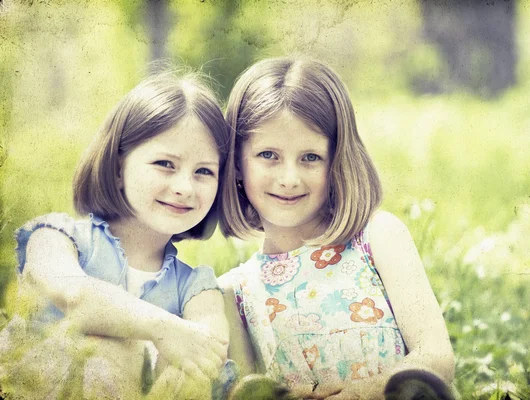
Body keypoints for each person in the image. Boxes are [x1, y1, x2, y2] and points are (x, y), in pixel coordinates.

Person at [218, 57, 455, 400]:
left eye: (310, 157)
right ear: (238, 163)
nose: (289, 178)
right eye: (268, 155)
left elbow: (436, 357)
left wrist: (359, 394)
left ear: (337, 161)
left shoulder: (378, 237)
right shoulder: (234, 292)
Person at [2, 69, 233, 399]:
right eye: (165, 164)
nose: (184, 187)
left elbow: (208, 352)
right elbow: (74, 295)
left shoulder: (195, 287)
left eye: (204, 171)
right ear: (118, 167)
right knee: (113, 351)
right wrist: (161, 328)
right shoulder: (55, 238)